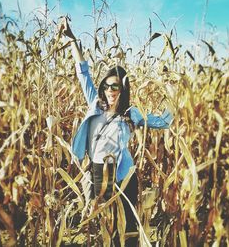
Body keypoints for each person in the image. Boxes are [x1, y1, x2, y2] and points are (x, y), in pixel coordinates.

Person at [58, 17, 173, 246]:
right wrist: (71, 41)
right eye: (107, 85)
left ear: (123, 89)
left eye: (116, 86)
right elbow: (83, 74)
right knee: (101, 224)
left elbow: (162, 122)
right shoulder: (95, 104)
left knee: (126, 225)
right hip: (97, 173)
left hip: (122, 175)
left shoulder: (131, 114)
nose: (110, 90)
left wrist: (175, 98)